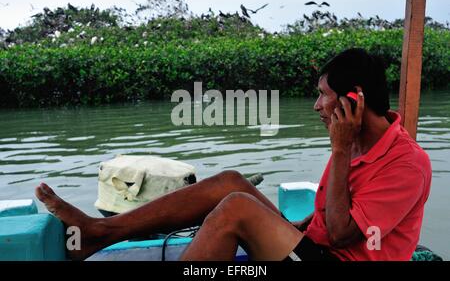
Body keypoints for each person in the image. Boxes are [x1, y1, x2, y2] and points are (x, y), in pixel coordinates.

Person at [35, 48, 432, 261]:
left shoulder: (407, 163)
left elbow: (345, 234)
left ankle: (99, 233)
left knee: (237, 207)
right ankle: (99, 233)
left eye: (323, 95)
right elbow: (330, 216)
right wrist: (293, 223)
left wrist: (340, 150)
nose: (316, 107)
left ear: (352, 100)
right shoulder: (354, 142)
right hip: (314, 246)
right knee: (229, 183)